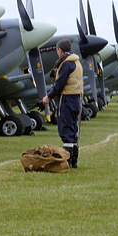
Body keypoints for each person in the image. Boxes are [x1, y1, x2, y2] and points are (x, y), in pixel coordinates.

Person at [41, 38, 84, 169]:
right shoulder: (77, 63)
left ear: (60, 50)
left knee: (65, 131)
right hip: (77, 100)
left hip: (66, 100)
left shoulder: (66, 64)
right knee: (72, 130)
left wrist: (48, 97)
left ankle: (68, 161)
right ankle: (74, 161)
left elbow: (59, 85)